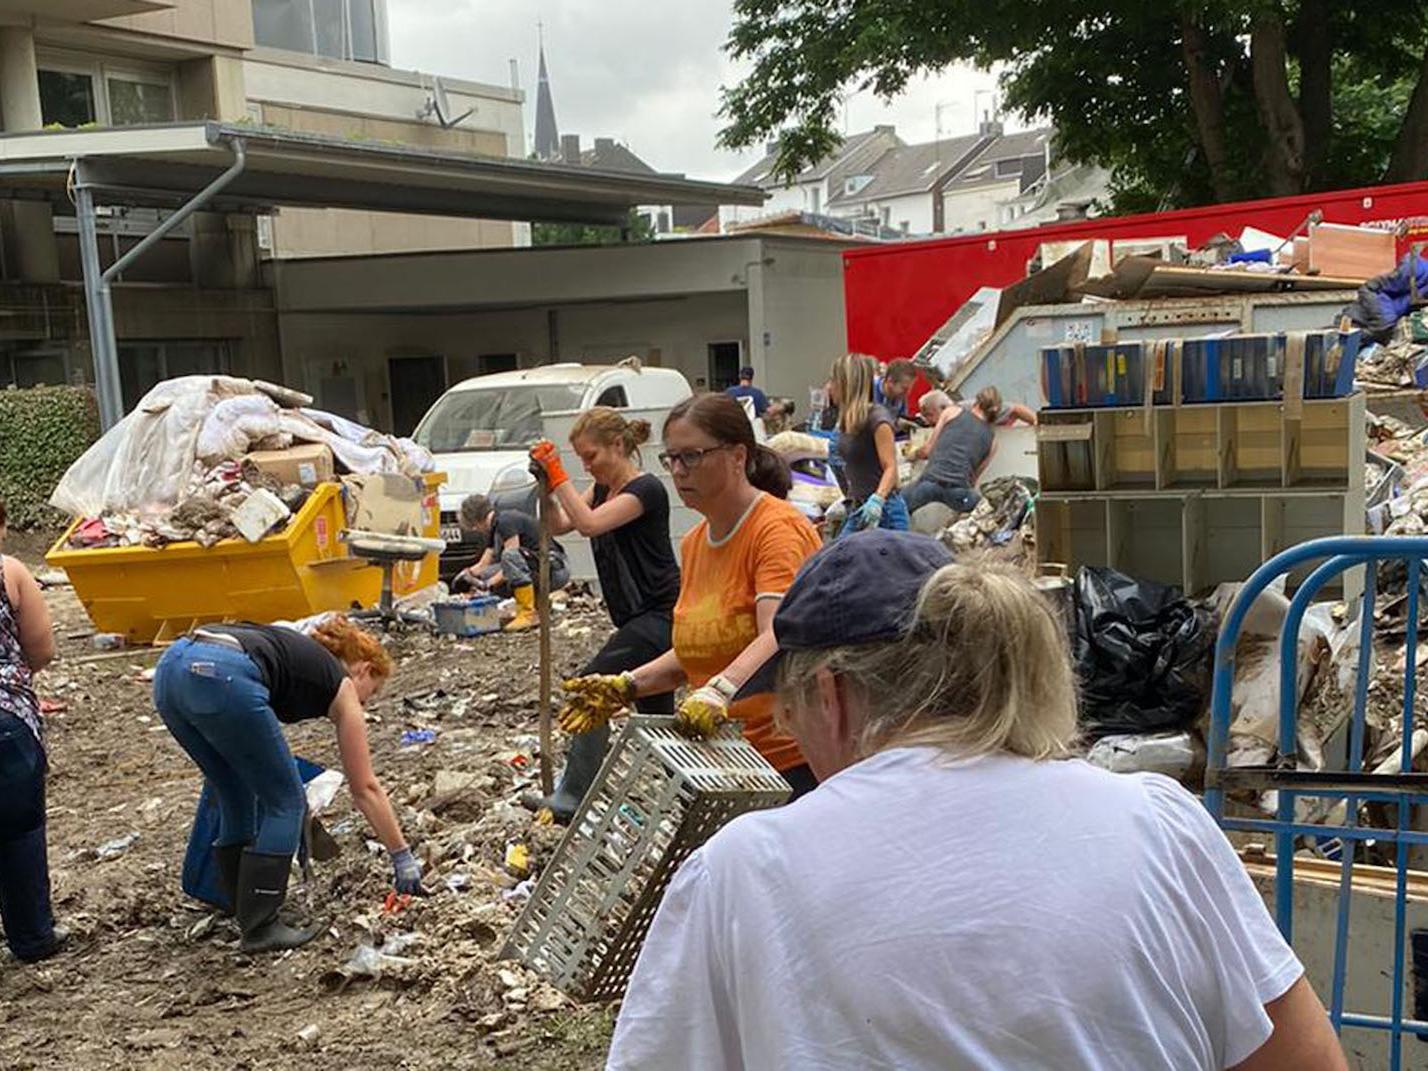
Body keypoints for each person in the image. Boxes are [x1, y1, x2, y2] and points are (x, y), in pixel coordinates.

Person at [608, 531, 1348, 1071]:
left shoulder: (741, 874)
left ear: (831, 695)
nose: (792, 731)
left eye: (790, 713)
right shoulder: (1158, 823)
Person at [559, 393, 821, 798]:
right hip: (729, 763)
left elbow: (778, 632)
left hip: (790, 762)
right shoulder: (696, 541)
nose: (679, 472)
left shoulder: (776, 530)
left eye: (692, 457)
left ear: (737, 456)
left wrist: (720, 689)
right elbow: (699, 648)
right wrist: (627, 684)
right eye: (671, 460)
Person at [153, 616, 422, 953]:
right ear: (364, 670)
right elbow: (364, 788)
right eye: (374, 691)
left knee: (233, 791)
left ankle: (242, 905)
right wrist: (401, 855)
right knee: (288, 803)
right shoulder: (342, 685)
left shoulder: (303, 655)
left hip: (171, 669)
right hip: (221, 675)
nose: (367, 703)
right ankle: (262, 926)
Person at [524, 408, 680, 821]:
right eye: (579, 459)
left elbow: (590, 525)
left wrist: (558, 475)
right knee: (658, 717)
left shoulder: (645, 490)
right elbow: (559, 525)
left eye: (591, 456)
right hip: (634, 620)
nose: (586, 466)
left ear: (618, 445)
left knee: (589, 689)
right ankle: (679, 791)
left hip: (660, 616)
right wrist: (546, 486)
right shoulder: (600, 489)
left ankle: (574, 795)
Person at [0, 496, 61, 964]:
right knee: (20, 829)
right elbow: (41, 648)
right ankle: (33, 938)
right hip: (7, 719)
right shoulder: (10, 571)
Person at [903, 385, 1032, 516]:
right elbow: (973, 479)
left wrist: (912, 454)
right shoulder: (993, 442)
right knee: (988, 516)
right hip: (959, 494)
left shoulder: (951, 412)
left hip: (929, 484)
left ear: (976, 403)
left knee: (896, 508)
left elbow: (927, 450)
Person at [453, 494, 569, 632]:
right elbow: (483, 565)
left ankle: (528, 613)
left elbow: (513, 560)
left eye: (473, 526)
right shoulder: (494, 527)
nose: (476, 530)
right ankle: (540, 605)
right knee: (488, 573)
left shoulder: (505, 522)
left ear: (476, 521)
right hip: (540, 566)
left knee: (508, 558)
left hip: (555, 569)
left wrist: (488, 585)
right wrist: (467, 574)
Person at [830, 352, 909, 535]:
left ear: (846, 384)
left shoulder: (877, 419)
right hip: (860, 507)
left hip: (885, 511)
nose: (830, 386)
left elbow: (890, 467)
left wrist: (878, 500)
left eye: (834, 380)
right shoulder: (847, 421)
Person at [872, 356, 917, 421]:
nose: (908, 393)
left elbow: (902, 419)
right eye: (904, 388)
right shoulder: (869, 389)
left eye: (909, 389)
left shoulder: (900, 397)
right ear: (890, 381)